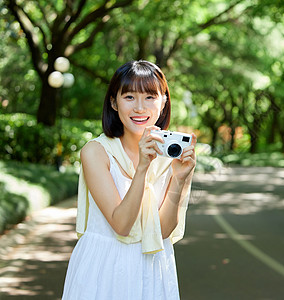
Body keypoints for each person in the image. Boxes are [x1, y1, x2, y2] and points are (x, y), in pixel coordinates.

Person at [62, 60, 196, 299]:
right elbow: (121, 225)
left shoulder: (172, 155)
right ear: (114, 102)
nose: (140, 108)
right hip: (104, 268)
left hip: (152, 267)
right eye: (129, 97)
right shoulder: (95, 152)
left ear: (163, 102)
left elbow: (163, 231)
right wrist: (143, 167)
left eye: (150, 97)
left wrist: (179, 179)